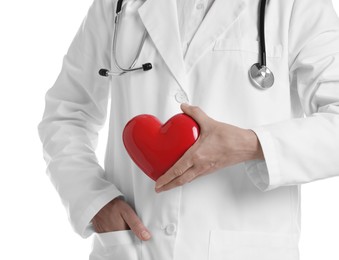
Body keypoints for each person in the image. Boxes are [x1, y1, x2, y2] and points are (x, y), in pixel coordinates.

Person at [37, 0, 339, 259]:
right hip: (136, 247)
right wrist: (94, 201)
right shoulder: (118, 5)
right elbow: (67, 113)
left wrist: (249, 144)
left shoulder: (299, 6)